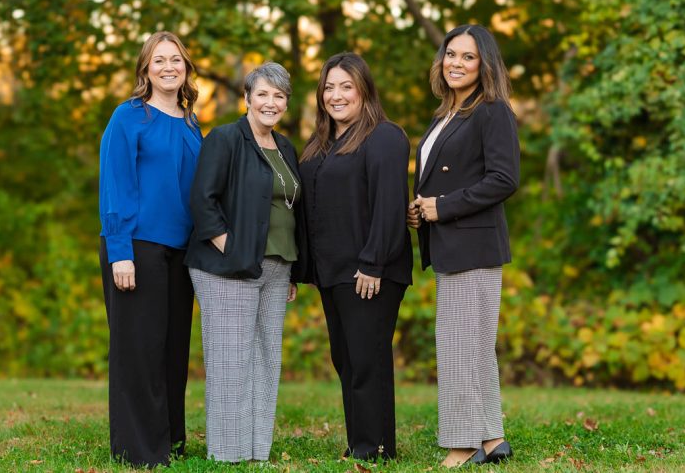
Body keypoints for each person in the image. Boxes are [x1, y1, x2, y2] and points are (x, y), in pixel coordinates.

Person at [407, 24, 520, 467]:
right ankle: (492, 439)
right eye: (451, 54)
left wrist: (443, 207)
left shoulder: (492, 111)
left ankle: (463, 443)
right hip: (451, 244)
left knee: (458, 345)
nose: (456, 63)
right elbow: (442, 179)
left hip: (473, 246)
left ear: (484, 64)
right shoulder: (447, 114)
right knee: (473, 345)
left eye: (468, 57)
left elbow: (504, 179)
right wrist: (422, 210)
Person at [297, 52, 412, 461]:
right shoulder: (320, 144)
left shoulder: (384, 137)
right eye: (329, 87)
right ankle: (361, 441)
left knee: (367, 359)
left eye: (346, 86)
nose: (336, 95)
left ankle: (374, 449)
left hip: (370, 270)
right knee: (345, 359)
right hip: (333, 272)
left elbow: (389, 204)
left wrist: (373, 262)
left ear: (364, 90)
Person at [185, 62, 301, 463]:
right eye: (263, 94)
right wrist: (230, 248)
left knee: (267, 359)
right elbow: (202, 200)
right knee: (231, 361)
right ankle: (228, 453)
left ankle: (256, 451)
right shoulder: (225, 139)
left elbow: (289, 209)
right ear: (247, 98)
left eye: (279, 96)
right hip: (227, 268)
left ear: (286, 102)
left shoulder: (285, 147)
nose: (271, 102)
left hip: (277, 268)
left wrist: (292, 269)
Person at [98, 31, 202, 468]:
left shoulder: (192, 124)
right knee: (139, 351)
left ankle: (170, 442)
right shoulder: (128, 117)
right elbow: (115, 183)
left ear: (186, 68)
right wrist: (119, 249)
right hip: (136, 247)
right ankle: (138, 450)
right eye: (158, 60)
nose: (168, 67)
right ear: (145, 69)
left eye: (175, 60)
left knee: (173, 350)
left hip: (181, 252)